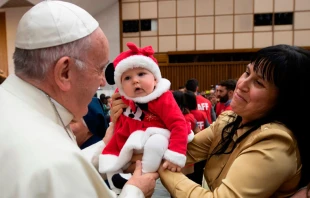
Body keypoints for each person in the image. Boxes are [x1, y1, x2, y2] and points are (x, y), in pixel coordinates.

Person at [0, 1, 158, 197]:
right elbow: (58, 165)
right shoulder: (52, 161)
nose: (102, 82)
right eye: (100, 69)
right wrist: (136, 191)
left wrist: (105, 148)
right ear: (65, 72)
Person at [112, 44, 310, 197]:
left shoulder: (276, 144)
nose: (242, 85)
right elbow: (184, 150)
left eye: (258, 83)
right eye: (247, 72)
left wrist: (156, 167)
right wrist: (119, 138)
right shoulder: (231, 120)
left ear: (284, 98)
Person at [99, 42, 193, 194]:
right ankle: (118, 179)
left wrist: (176, 154)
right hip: (136, 140)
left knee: (156, 143)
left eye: (141, 74)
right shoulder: (123, 100)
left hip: (162, 135)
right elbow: (118, 128)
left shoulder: (162, 98)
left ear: (155, 79)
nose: (135, 80)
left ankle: (144, 175)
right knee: (113, 156)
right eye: (127, 78)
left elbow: (178, 124)